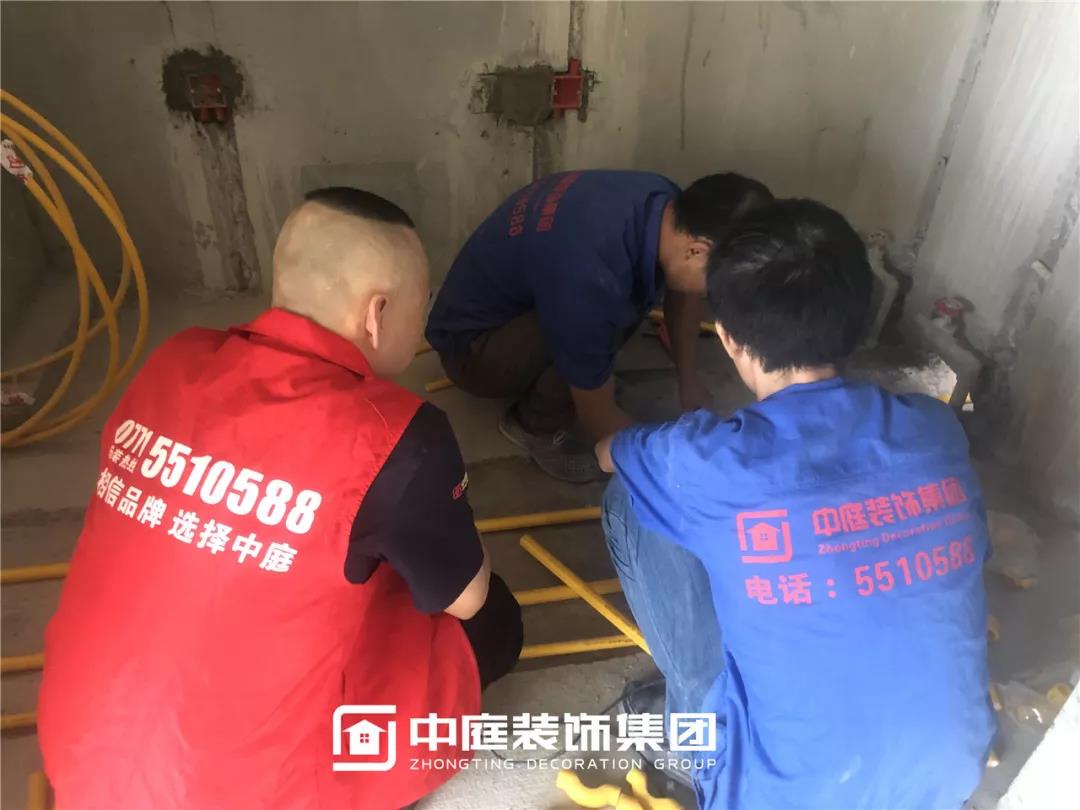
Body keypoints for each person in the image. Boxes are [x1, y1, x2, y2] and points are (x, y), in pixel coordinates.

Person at [38, 188, 523, 809]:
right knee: (494, 619)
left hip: (82, 759)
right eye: (420, 302)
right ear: (377, 313)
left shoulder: (173, 361)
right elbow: (468, 597)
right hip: (247, 793)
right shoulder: (394, 432)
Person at [596, 199, 995, 809]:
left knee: (632, 496)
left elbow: (610, 454)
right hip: (948, 775)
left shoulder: (705, 460)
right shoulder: (934, 430)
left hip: (775, 796)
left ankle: (689, 720)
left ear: (727, 339)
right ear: (859, 322)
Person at [426, 170, 772, 482]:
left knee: (615, 308)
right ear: (697, 251)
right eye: (718, 285)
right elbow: (597, 417)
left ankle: (582, 373)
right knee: (597, 328)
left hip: (528, 297)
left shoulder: (664, 203)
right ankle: (533, 425)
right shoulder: (590, 280)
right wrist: (682, 475)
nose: (716, 295)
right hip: (471, 351)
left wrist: (688, 379)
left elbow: (684, 293)